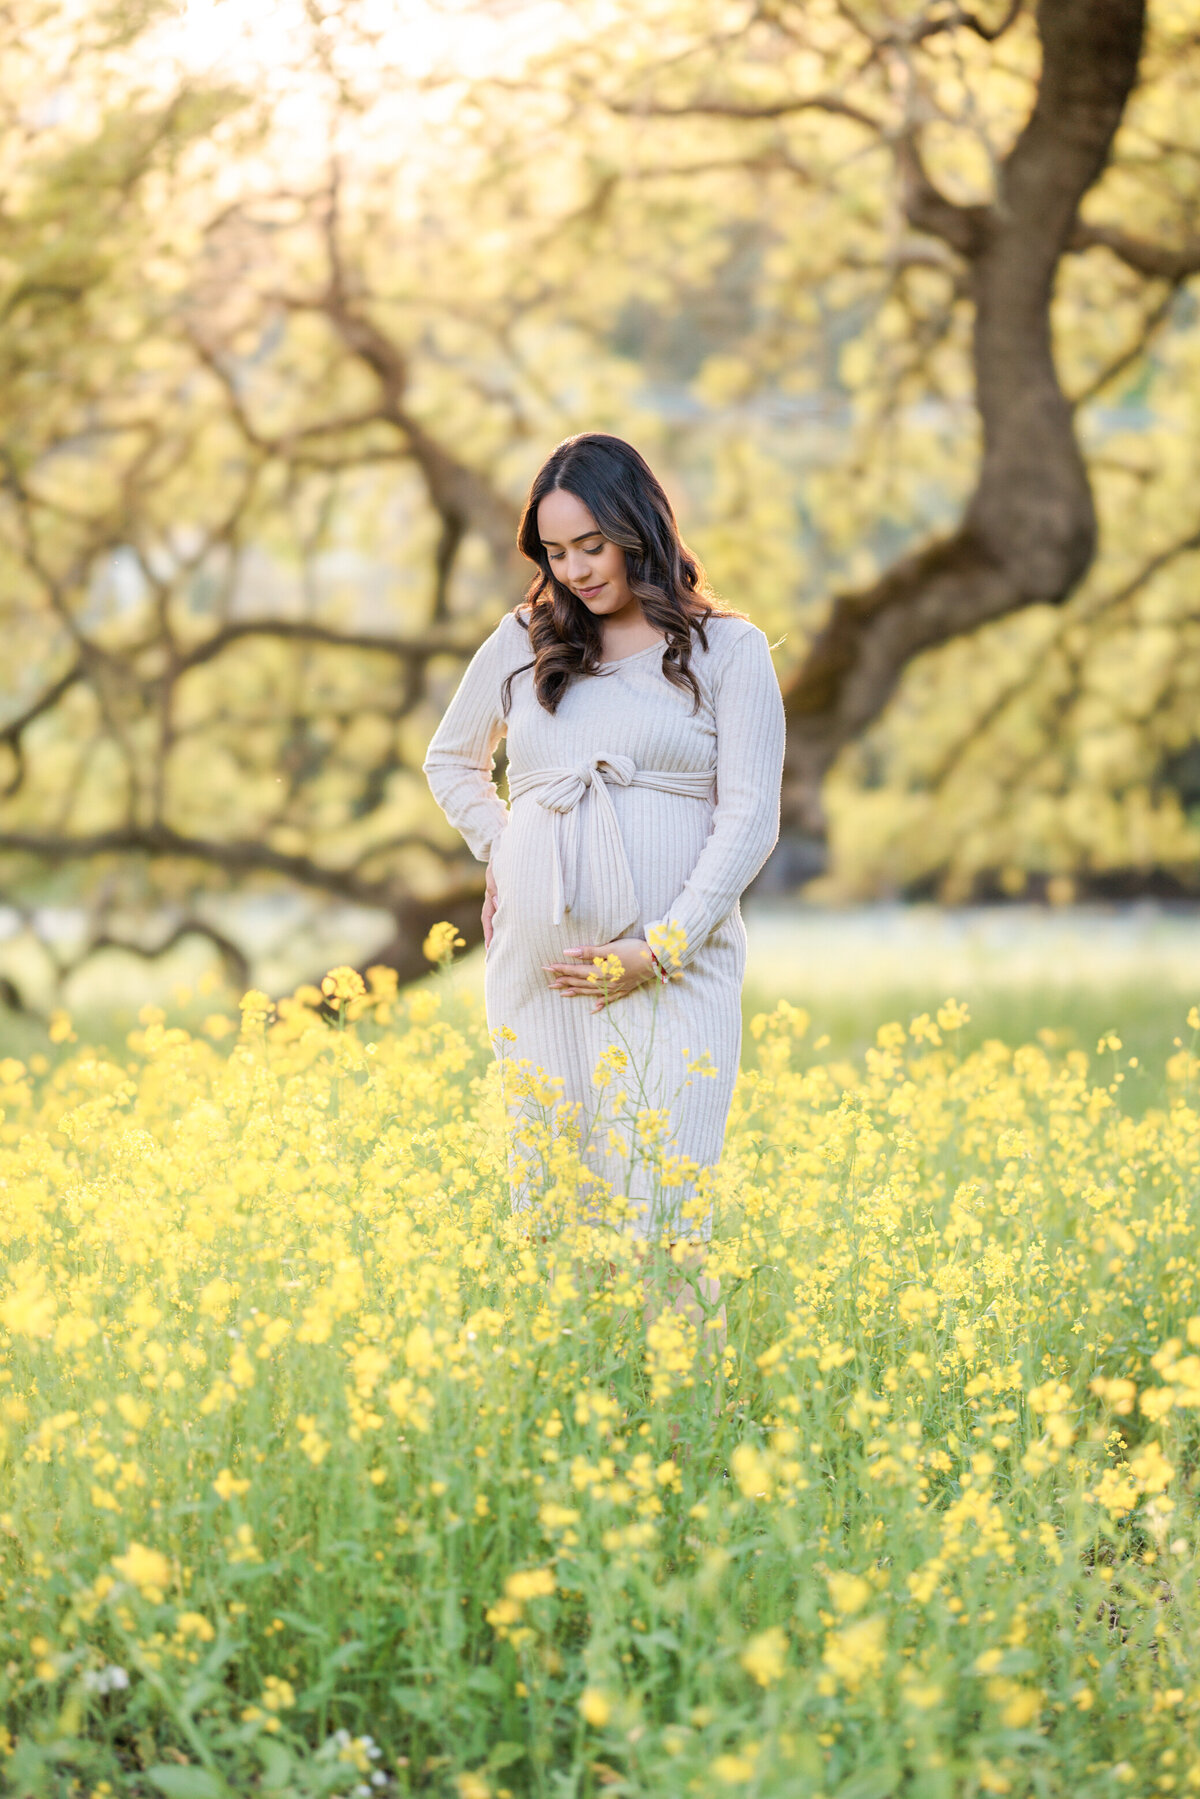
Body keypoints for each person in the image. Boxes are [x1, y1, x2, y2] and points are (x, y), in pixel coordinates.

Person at [423, 432, 785, 1336]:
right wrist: (508, 851)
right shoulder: (524, 638)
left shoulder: (729, 652)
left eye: (592, 544)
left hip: (673, 970)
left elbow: (749, 819)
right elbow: (451, 760)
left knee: (663, 1222)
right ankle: (572, 1431)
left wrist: (657, 948)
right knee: (552, 1223)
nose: (576, 569)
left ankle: (678, 1440)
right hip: (541, 981)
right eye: (555, 552)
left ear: (640, 527)